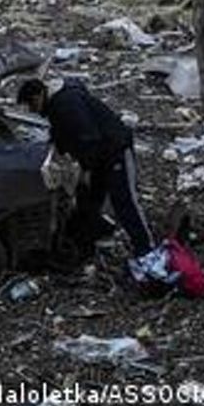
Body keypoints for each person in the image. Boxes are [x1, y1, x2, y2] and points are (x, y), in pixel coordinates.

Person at [17, 75, 158, 269]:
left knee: (125, 201)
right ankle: (93, 234)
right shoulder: (58, 102)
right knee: (90, 199)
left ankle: (147, 250)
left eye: (32, 106)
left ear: (38, 96)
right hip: (99, 156)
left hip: (115, 150)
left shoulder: (66, 105)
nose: (34, 111)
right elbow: (63, 135)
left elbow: (88, 137)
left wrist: (85, 169)